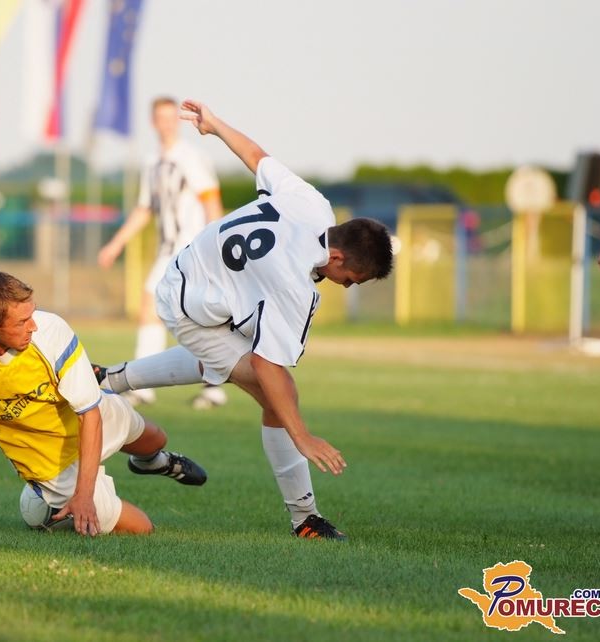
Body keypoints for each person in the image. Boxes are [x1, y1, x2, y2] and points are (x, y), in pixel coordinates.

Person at [97, 100, 394, 540]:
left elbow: (256, 156)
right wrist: (303, 436)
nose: (348, 286)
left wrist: (216, 126)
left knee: (231, 363)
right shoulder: (294, 284)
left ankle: (111, 378)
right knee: (277, 394)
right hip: (190, 303)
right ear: (335, 256)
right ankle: (305, 519)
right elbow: (268, 366)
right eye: (352, 278)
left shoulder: (313, 204)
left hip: (196, 271)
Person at [0, 272, 207, 537]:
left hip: (86, 419)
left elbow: (89, 414)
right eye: (22, 322)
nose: (33, 325)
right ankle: (49, 501)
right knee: (142, 528)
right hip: (49, 464)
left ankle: (152, 462)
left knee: (156, 439)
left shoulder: (51, 330)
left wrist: (84, 495)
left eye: (32, 314)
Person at [97, 96, 227, 410]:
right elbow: (145, 208)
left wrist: (217, 245)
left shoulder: (190, 158)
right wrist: (116, 243)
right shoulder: (152, 162)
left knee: (176, 310)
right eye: (161, 118)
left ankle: (205, 385)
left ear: (177, 122)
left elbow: (211, 201)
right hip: (169, 250)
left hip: (191, 247)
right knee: (166, 310)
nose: (166, 124)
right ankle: (191, 386)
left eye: (171, 118)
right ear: (153, 122)